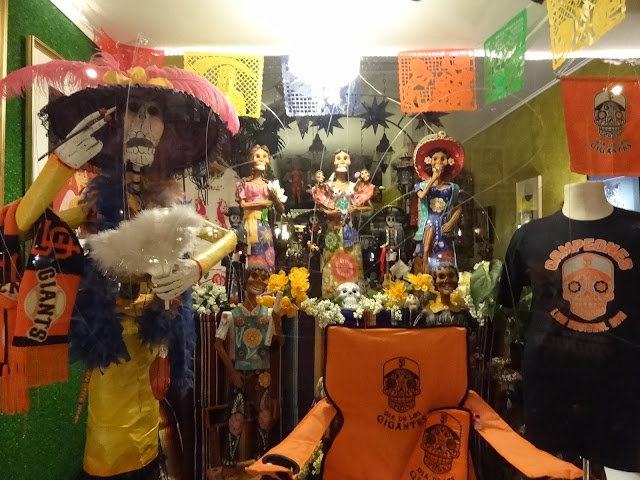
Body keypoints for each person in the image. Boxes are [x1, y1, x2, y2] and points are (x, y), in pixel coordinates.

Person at [0, 53, 240, 479]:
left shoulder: (163, 202)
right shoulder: (97, 201)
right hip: (111, 334)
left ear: (165, 129)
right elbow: (20, 224)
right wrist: (59, 166)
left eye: (154, 112)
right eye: (134, 110)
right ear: (117, 123)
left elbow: (226, 237)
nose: (144, 122)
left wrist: (195, 268)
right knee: (108, 444)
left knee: (151, 424)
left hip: (155, 333)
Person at [214, 257, 284, 467]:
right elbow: (218, 345)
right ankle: (229, 462)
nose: (259, 281)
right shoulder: (230, 315)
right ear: (245, 280)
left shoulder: (269, 314)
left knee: (264, 418)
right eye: (254, 276)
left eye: (264, 277)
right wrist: (232, 373)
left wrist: (278, 324)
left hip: (262, 374)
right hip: (240, 373)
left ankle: (261, 460)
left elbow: (280, 342)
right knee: (235, 419)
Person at [311, 150, 375, 297]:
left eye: (345, 158)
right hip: (333, 232)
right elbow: (319, 210)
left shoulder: (355, 187)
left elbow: (369, 208)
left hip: (350, 233)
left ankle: (354, 298)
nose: (342, 161)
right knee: (330, 263)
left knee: (353, 264)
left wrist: (355, 209)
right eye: (338, 158)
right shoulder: (327, 187)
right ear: (333, 162)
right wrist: (331, 213)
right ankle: (331, 298)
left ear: (350, 162)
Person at [413, 132, 464, 273]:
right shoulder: (421, 186)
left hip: (443, 226)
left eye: (443, 159)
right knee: (425, 253)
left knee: (444, 259)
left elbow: (458, 208)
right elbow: (422, 196)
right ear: (429, 161)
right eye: (435, 159)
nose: (439, 162)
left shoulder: (452, 188)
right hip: (427, 225)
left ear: (448, 162)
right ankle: (423, 278)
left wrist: (451, 223)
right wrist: (433, 179)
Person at [236, 145, 285, 272]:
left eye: (264, 156)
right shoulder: (245, 184)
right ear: (251, 160)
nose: (261, 159)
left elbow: (281, 209)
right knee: (249, 253)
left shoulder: (269, 186)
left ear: (268, 160)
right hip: (249, 223)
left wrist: (275, 199)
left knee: (266, 253)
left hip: (264, 222)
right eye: (257, 156)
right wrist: (263, 203)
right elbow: (243, 205)